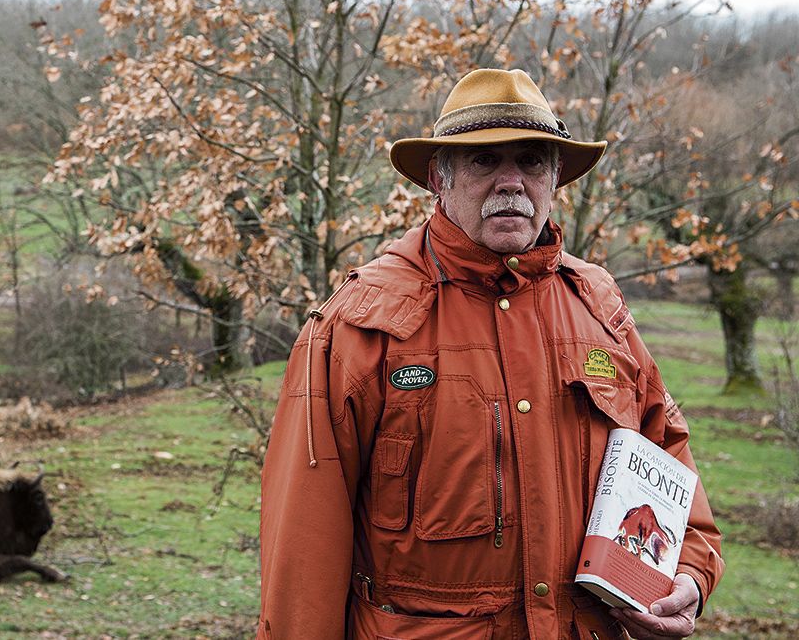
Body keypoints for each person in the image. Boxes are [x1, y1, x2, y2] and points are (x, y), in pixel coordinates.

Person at [257, 69, 723, 639]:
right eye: (483, 161)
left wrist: (689, 577)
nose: (511, 182)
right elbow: (301, 545)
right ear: (439, 178)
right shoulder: (358, 325)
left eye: (530, 161)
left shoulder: (599, 308)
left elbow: (667, 460)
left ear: (553, 178)